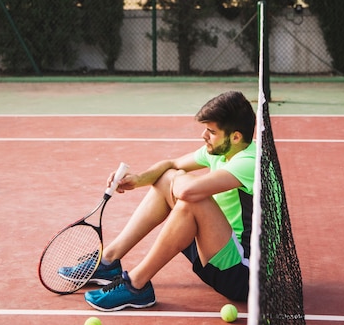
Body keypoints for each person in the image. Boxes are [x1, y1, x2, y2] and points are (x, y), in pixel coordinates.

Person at [59, 90, 256, 311]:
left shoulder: (249, 162)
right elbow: (171, 164)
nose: (203, 135)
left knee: (192, 199)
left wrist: (177, 178)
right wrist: (138, 180)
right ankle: (107, 261)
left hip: (243, 275)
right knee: (167, 180)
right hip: (218, 254)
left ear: (235, 137)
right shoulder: (220, 151)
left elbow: (188, 192)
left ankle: (136, 285)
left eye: (211, 131)